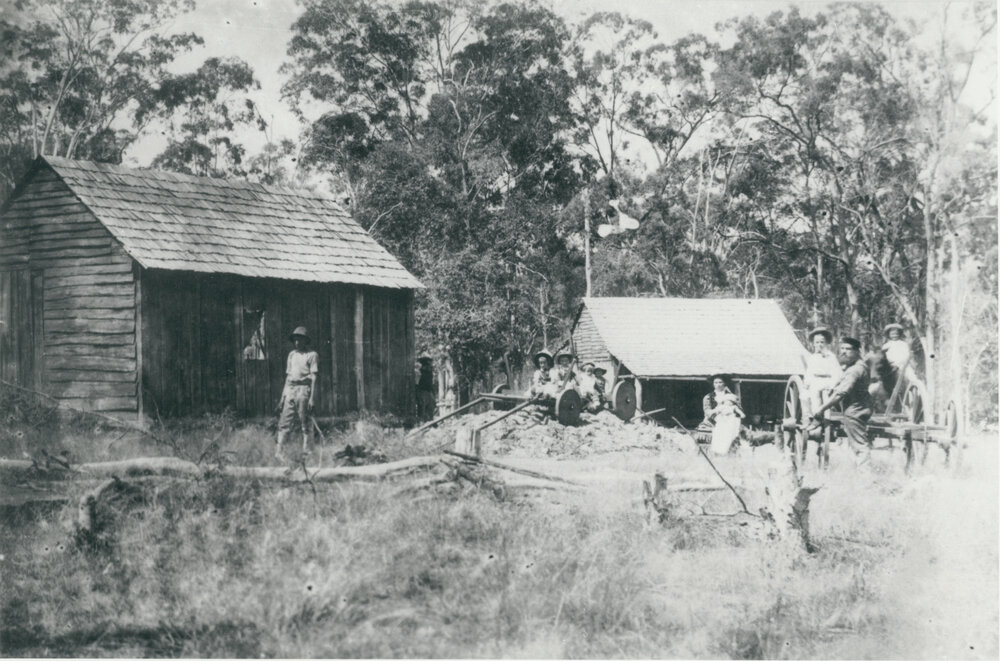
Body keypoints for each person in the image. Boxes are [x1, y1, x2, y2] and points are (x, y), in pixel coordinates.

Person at [811, 337, 874, 464]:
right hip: (862, 406)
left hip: (855, 411)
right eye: (842, 349)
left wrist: (821, 409)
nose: (844, 352)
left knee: (860, 445)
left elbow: (841, 393)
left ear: (857, 351)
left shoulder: (855, 370)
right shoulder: (858, 366)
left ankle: (866, 476)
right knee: (858, 444)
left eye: (848, 349)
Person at [275, 326, 318, 459]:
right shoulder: (292, 355)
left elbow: (314, 377)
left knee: (305, 423)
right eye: (295, 340)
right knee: (284, 423)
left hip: (303, 390)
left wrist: (312, 398)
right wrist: (283, 397)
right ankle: (279, 453)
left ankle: (308, 454)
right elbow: (288, 377)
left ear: (305, 341)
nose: (297, 342)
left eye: (300, 340)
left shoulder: (312, 355)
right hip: (290, 390)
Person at [803, 327, 842, 418]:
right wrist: (806, 383)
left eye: (822, 342)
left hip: (828, 380)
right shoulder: (812, 358)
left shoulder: (831, 357)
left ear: (826, 343)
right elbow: (809, 372)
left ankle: (818, 416)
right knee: (804, 395)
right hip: (815, 380)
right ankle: (809, 416)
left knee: (816, 391)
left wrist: (833, 385)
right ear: (813, 344)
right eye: (817, 342)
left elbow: (837, 373)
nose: (819, 345)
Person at [415, 355, 436, 421]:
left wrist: (433, 392)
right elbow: (416, 384)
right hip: (422, 392)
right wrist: (418, 394)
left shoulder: (430, 372)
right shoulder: (419, 372)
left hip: (429, 392)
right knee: (422, 408)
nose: (430, 366)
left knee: (430, 408)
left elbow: (431, 383)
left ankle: (430, 422)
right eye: (429, 363)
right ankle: (421, 423)